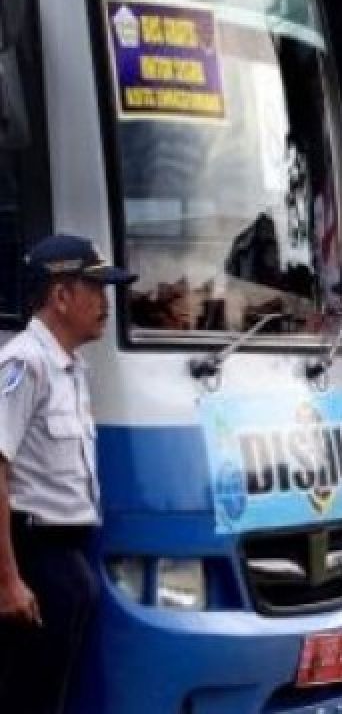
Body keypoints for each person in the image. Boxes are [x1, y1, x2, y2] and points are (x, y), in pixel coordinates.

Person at [0, 234, 136, 714]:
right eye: (95, 288)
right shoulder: (24, 363)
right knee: (26, 696)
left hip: (67, 555)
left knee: (54, 695)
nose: (106, 302)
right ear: (60, 296)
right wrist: (8, 580)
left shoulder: (72, 369)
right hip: (34, 555)